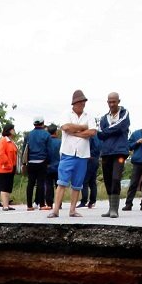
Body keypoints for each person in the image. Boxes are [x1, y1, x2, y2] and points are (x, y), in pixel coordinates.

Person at [47, 91, 97, 219]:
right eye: (79, 102)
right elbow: (66, 127)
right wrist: (82, 127)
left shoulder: (89, 116)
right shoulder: (66, 114)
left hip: (82, 154)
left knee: (77, 184)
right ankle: (55, 210)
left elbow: (92, 132)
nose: (82, 104)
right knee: (62, 182)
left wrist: (77, 132)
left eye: (83, 102)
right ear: (74, 103)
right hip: (68, 153)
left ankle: (72, 210)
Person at [97, 93, 131, 218]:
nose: (112, 104)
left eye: (114, 102)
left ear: (118, 101)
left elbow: (122, 126)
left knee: (116, 178)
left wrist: (107, 131)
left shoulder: (125, 113)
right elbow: (99, 133)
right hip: (106, 152)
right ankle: (110, 207)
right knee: (107, 179)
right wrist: (111, 131)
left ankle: (114, 209)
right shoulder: (103, 118)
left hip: (120, 152)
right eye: (109, 102)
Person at [24, 119, 51, 210]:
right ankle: (42, 205)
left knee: (30, 183)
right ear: (43, 123)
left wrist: (24, 163)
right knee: (40, 183)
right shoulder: (46, 134)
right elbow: (49, 150)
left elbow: (24, 149)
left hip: (31, 162)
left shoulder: (28, 135)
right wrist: (48, 162)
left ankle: (29, 205)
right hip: (42, 161)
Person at [0, 123, 18, 210]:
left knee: (8, 186)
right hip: (3, 168)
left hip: (11, 168)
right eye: (12, 129)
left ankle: (7, 204)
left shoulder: (11, 141)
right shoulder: (3, 140)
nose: (14, 131)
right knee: (4, 186)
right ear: (8, 130)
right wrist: (7, 163)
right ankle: (4, 205)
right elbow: (0, 153)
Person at [81, 131, 101, 208]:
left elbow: (95, 148)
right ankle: (92, 201)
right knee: (92, 182)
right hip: (95, 159)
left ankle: (84, 201)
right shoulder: (98, 135)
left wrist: (87, 154)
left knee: (85, 181)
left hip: (90, 159)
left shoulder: (92, 136)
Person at [46, 124, 61, 193]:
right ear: (56, 132)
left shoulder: (45, 142)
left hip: (48, 167)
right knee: (59, 186)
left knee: (49, 185)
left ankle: (49, 202)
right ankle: (59, 202)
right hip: (58, 167)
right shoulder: (60, 142)